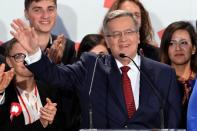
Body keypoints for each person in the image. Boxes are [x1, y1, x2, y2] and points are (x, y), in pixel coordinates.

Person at [11, 10, 181, 129]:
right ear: (107, 40)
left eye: (128, 32)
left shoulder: (164, 74)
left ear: (138, 36)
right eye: (115, 34)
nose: (123, 39)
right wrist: (34, 52)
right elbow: (56, 76)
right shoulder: (91, 67)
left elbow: (173, 122)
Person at [0, 38, 63, 131]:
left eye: (31, 55)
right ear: (9, 61)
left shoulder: (52, 90)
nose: (27, 60)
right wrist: (41, 122)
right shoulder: (3, 95)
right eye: (20, 56)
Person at [0, 0, 76, 64]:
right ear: (26, 14)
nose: (45, 16)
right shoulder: (5, 50)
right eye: (37, 10)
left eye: (50, 9)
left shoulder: (67, 47)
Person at [160, 21, 197, 128]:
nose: (178, 48)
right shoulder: (156, 82)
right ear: (166, 49)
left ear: (194, 48)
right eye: (172, 43)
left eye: (183, 43)